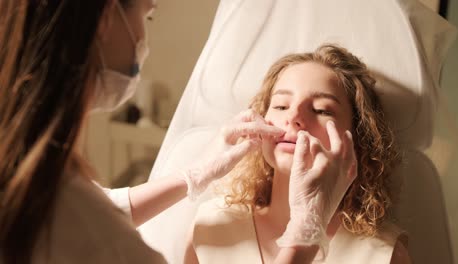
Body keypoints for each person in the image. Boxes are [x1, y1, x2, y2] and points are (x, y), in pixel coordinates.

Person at [0, 0, 285, 263]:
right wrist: (302, 242)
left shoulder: (31, 180)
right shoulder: (99, 236)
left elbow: (101, 210)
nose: (296, 120)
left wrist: (193, 175)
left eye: (321, 110)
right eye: (147, 16)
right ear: (106, 18)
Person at [184, 44, 412, 263]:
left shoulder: (384, 255)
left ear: (358, 136)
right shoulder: (208, 229)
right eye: (281, 106)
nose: (293, 117)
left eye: (322, 110)